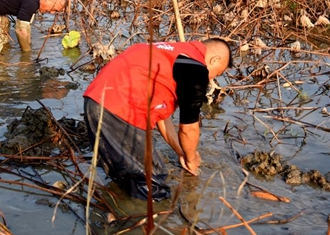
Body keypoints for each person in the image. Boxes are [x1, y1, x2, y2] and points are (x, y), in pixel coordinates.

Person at [83, 38, 232, 201]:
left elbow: (161, 117)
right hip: (119, 110)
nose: (210, 80)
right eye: (217, 73)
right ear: (215, 60)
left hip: (94, 103)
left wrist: (180, 152)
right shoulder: (195, 67)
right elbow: (188, 129)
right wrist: (191, 159)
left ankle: (116, 211)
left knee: (126, 179)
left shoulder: (169, 51)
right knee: (154, 187)